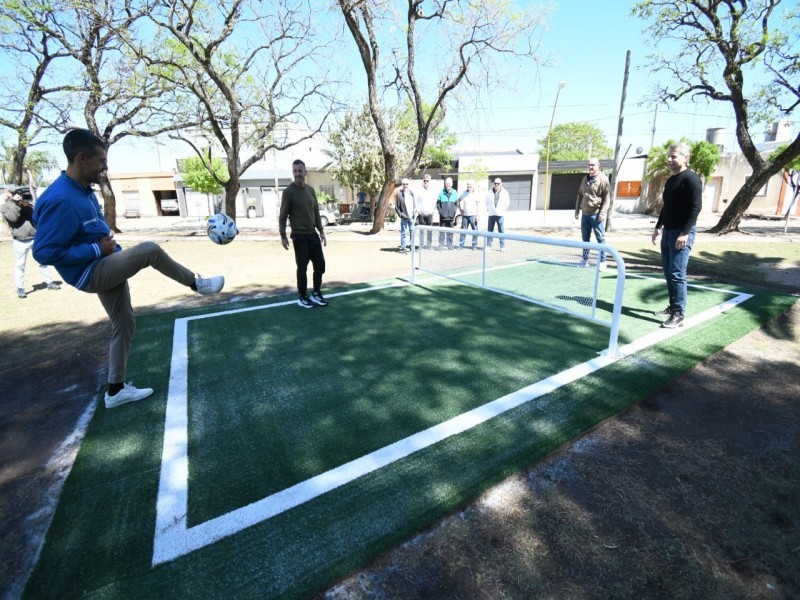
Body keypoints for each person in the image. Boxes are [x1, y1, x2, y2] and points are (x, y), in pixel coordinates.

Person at [32, 128, 225, 409]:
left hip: (106, 263)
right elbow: (43, 251)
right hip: (91, 271)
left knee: (124, 323)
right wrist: (96, 249)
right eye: (101, 161)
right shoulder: (59, 198)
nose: (104, 167)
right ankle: (197, 284)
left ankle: (116, 390)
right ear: (82, 158)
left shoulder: (83, 190)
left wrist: (106, 246)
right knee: (150, 250)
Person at [651, 142, 703, 329]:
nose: (669, 159)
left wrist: (685, 233)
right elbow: (666, 207)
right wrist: (658, 227)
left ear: (685, 158)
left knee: (677, 273)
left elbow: (696, 207)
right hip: (668, 231)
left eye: (673, 156)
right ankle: (672, 307)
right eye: (669, 156)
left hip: (681, 233)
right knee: (668, 272)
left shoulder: (692, 179)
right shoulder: (671, 180)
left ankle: (679, 314)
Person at [279, 158, 328, 308]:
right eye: (295, 171)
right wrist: (283, 236)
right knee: (302, 268)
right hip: (299, 236)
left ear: (305, 172)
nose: (297, 174)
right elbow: (282, 216)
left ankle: (316, 292)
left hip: (312, 234)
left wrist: (321, 231)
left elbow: (316, 212)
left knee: (320, 265)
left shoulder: (310, 190)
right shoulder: (288, 192)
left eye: (300, 171)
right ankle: (302, 296)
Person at [1, 187, 60, 298]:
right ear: (11, 195)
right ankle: (20, 288)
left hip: (34, 238)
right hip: (20, 241)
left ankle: (49, 282)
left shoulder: (26, 204)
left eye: (20, 194)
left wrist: (27, 206)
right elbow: (13, 218)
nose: (19, 196)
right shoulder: (4, 207)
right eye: (16, 194)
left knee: (43, 261)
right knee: (20, 265)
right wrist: (17, 205)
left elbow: (35, 217)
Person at [574, 158, 611, 270]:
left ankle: (602, 261)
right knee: (585, 239)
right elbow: (580, 195)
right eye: (589, 165)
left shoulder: (603, 179)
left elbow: (607, 198)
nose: (591, 167)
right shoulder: (584, 179)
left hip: (596, 214)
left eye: (593, 165)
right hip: (585, 214)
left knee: (600, 238)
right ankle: (585, 260)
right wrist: (577, 210)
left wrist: (603, 213)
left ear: (598, 166)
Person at [485, 177, 510, 251]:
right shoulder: (489, 192)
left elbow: (507, 203)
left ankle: (502, 246)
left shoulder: (505, 192)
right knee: (490, 231)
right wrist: (489, 208)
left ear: (501, 184)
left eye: (498, 183)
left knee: (501, 231)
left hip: (500, 214)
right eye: (495, 183)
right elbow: (486, 201)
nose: (496, 185)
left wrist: (502, 210)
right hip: (491, 214)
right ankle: (489, 245)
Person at [394, 178, 416, 254]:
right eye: (404, 184)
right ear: (402, 185)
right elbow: (396, 207)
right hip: (404, 217)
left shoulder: (411, 193)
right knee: (403, 233)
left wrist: (414, 211)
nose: (405, 185)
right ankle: (403, 248)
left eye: (407, 184)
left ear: (408, 185)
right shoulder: (399, 194)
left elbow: (414, 204)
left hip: (411, 217)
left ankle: (412, 247)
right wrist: (401, 215)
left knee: (412, 232)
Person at [436, 177, 458, 249]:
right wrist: (441, 212)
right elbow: (438, 204)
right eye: (447, 183)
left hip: (451, 216)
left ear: (452, 184)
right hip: (443, 217)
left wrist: (453, 212)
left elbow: (456, 204)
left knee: (450, 231)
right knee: (442, 231)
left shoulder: (455, 193)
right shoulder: (441, 193)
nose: (448, 185)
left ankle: (449, 245)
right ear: (445, 184)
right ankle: (441, 244)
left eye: (449, 183)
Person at [416, 174, 437, 248]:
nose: (426, 182)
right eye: (424, 180)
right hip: (421, 213)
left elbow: (435, 202)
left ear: (429, 181)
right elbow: (417, 200)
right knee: (421, 231)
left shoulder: (433, 190)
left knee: (429, 231)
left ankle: (429, 245)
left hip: (429, 213)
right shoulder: (419, 189)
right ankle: (421, 245)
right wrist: (418, 210)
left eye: (427, 181)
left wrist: (433, 210)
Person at [458, 181, 479, 250]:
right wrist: (460, 209)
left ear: (473, 185)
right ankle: (461, 245)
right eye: (468, 185)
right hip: (465, 215)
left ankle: (474, 245)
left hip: (473, 215)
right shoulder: (464, 192)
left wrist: (478, 215)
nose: (469, 186)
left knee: (475, 231)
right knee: (463, 231)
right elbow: (458, 200)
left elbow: (478, 205)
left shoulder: (476, 193)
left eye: (470, 185)